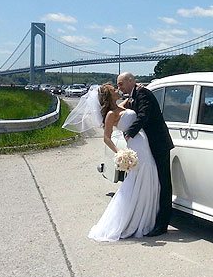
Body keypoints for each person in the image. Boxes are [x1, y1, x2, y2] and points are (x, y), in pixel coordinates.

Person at [62, 83, 161, 241]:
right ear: (109, 96)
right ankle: (133, 220)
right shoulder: (110, 115)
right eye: (114, 90)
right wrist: (120, 152)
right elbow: (106, 138)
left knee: (150, 174)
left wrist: (140, 87)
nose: (117, 90)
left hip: (144, 142)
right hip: (134, 145)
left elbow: (136, 99)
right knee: (138, 177)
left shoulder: (122, 106)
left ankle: (146, 217)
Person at [117, 72, 174, 236]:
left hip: (159, 144)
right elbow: (120, 109)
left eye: (121, 84)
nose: (119, 88)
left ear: (130, 81)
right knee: (153, 181)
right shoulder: (134, 94)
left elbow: (144, 115)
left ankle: (162, 224)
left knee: (164, 183)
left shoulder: (143, 93)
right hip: (148, 146)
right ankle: (149, 217)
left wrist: (130, 133)